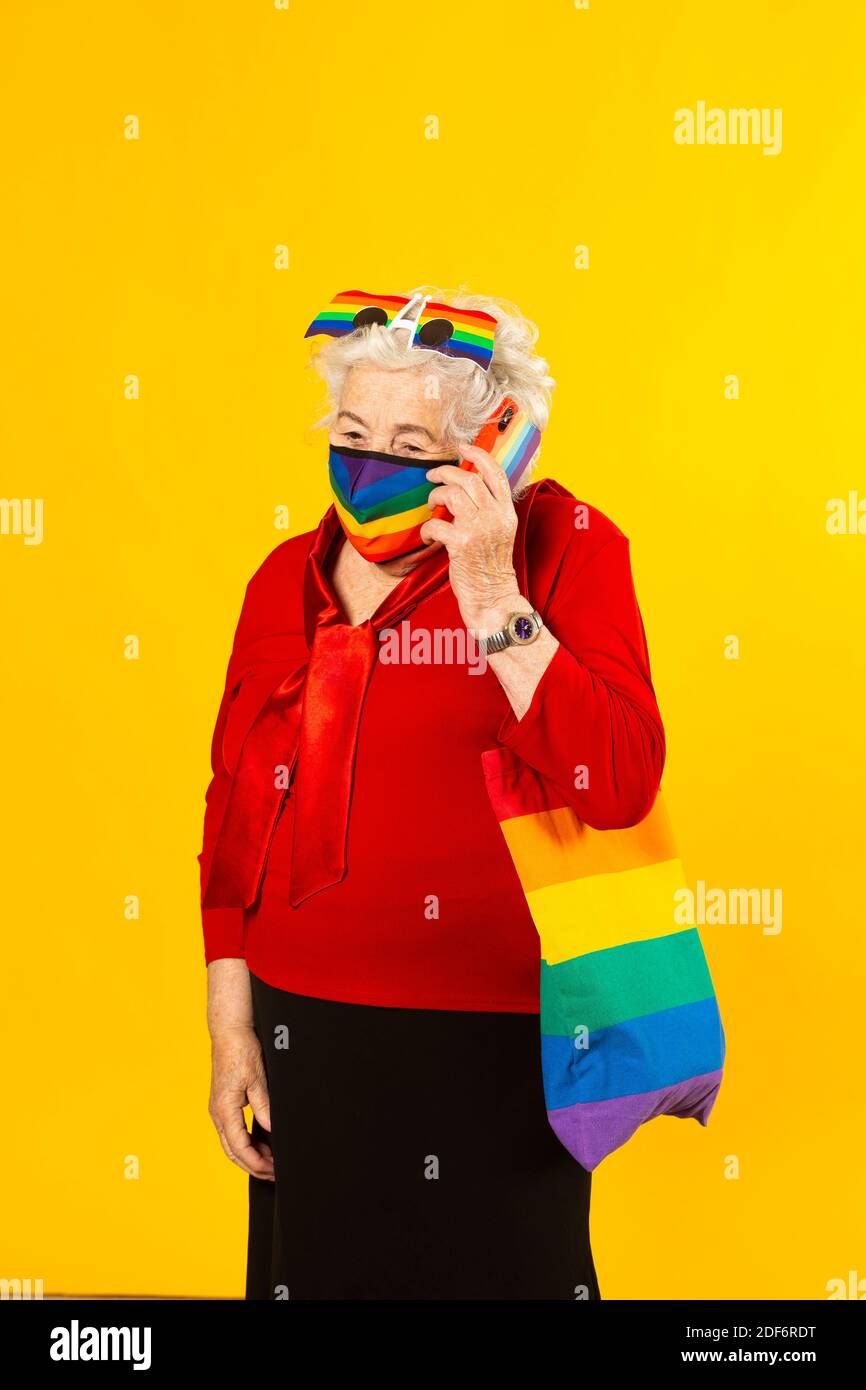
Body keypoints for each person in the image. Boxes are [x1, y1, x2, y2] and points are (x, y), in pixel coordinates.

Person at [198, 286, 666, 1300]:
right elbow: (232, 806)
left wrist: (493, 590)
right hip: (302, 1019)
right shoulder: (283, 576)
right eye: (351, 431)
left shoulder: (567, 546)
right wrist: (231, 1025)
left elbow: (619, 779)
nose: (367, 464)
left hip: (493, 1030)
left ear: (495, 443)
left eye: (408, 443)